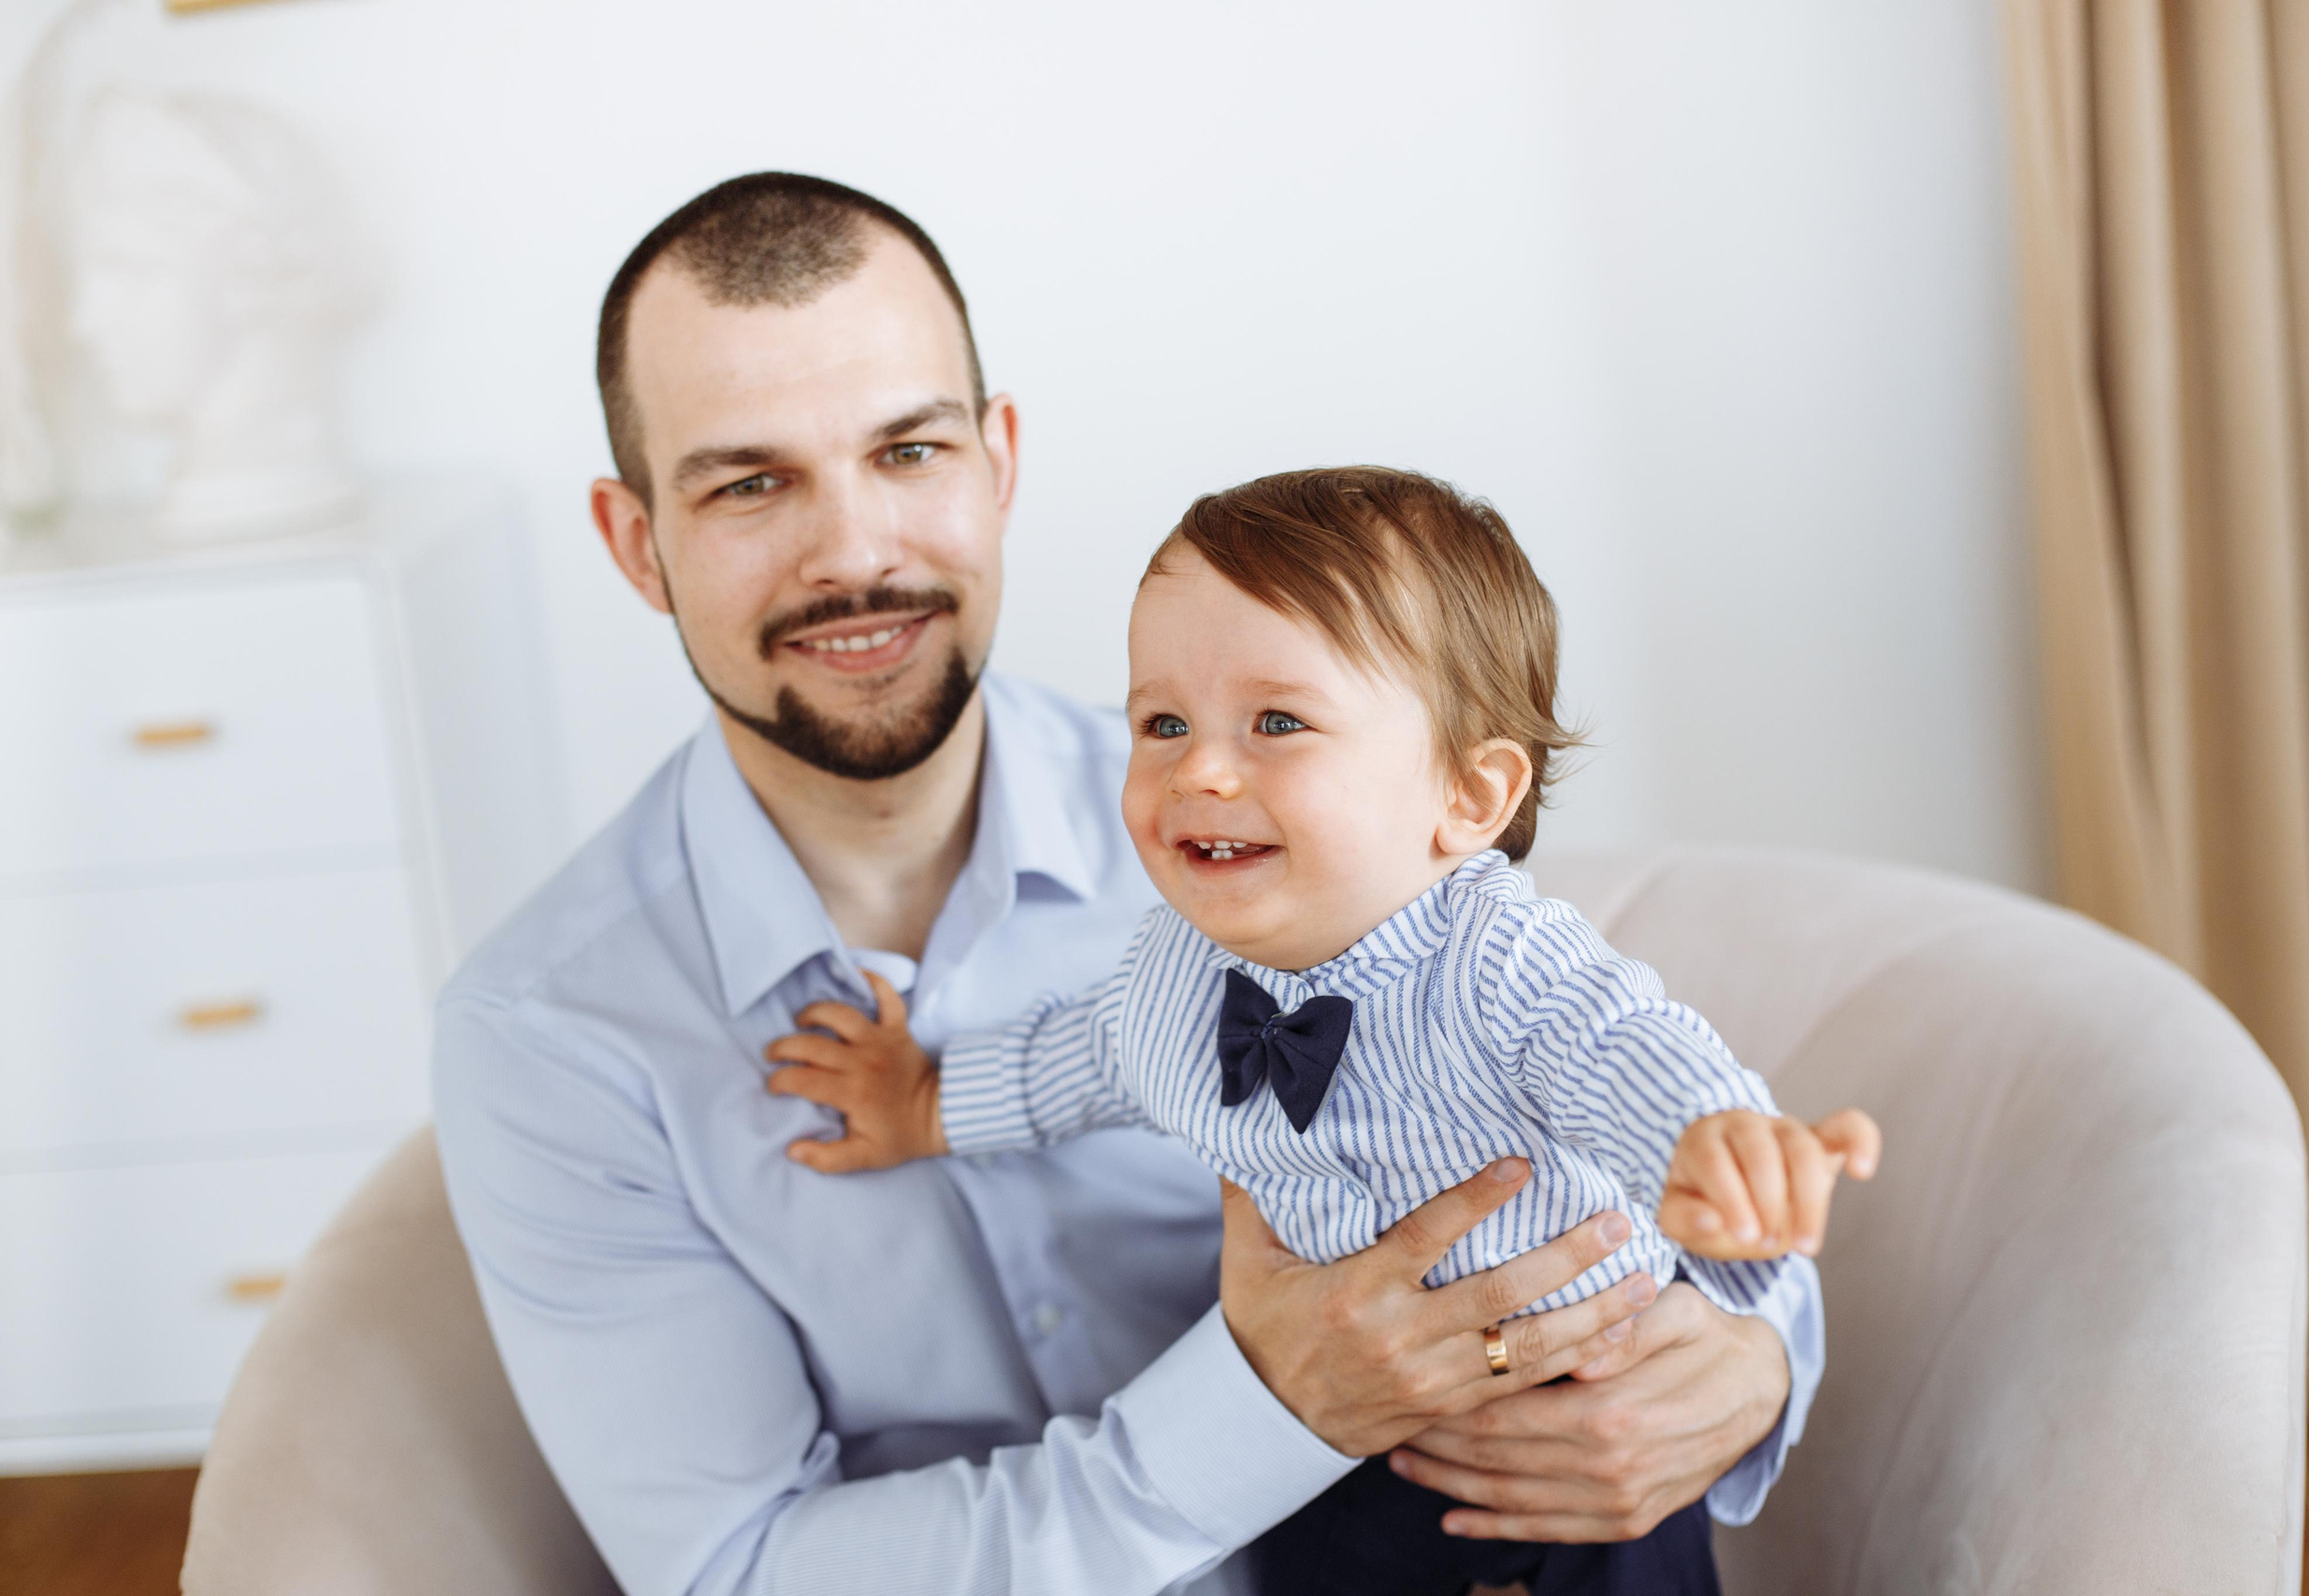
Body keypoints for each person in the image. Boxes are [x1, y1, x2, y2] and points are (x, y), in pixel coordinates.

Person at [433, 171, 1828, 1596]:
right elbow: (734, 1569)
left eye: (908, 452)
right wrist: (1266, 1408)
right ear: (634, 542)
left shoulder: (1306, 813)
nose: (853, 552)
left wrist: (1760, 1340)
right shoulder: (550, 1033)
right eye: (747, 483)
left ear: (998, 465)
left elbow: (1585, 1062)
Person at [758, 466, 1882, 1596]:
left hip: (1575, 1418)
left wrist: (1717, 1140)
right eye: (1161, 721)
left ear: (1469, 795)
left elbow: (1620, 1044)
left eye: (1278, 722)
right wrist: (921, 1102)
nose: (1197, 767)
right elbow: (1078, 1061)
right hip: (1327, 1433)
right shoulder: (1173, 975)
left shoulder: (1495, 958)